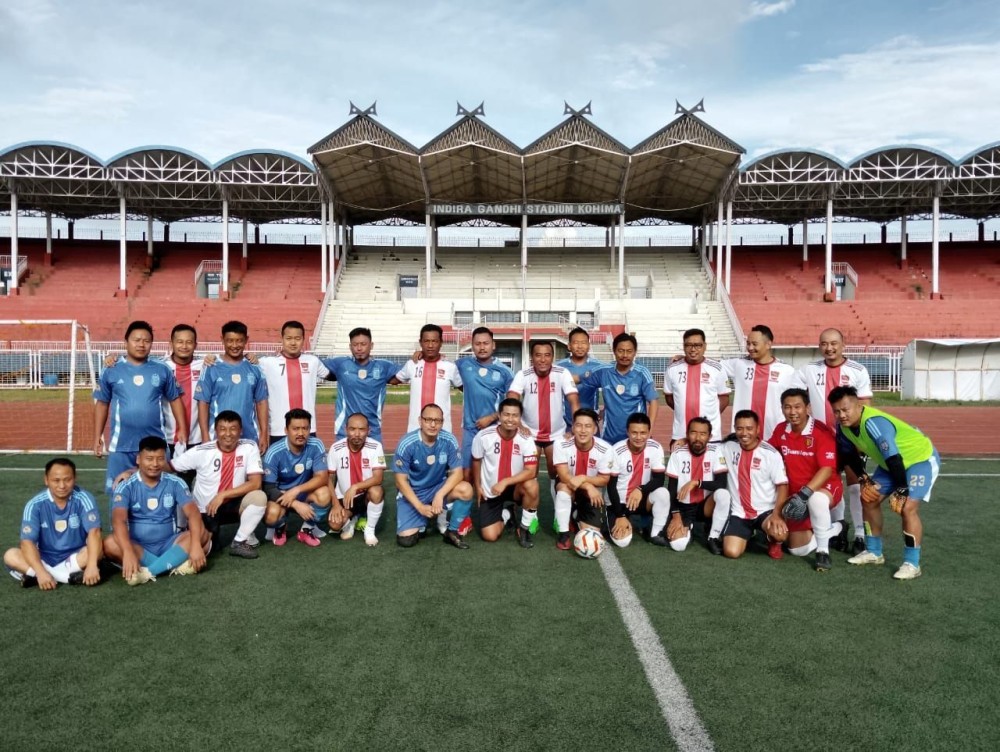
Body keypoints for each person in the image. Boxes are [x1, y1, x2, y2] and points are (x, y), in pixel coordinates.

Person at [828, 386, 939, 580]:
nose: (842, 415)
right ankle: (874, 552)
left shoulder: (873, 422)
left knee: (907, 508)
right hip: (890, 465)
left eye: (846, 409)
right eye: (837, 411)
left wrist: (902, 489)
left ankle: (912, 563)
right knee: (868, 498)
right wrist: (864, 478)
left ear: (859, 405)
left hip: (919, 459)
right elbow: (848, 454)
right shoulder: (843, 427)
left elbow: (894, 458)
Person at [793, 328, 874, 555]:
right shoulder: (809, 370)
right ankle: (837, 528)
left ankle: (859, 533)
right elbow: (791, 393)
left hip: (849, 438)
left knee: (855, 484)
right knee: (830, 482)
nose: (829, 348)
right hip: (821, 440)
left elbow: (866, 406)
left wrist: (862, 439)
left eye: (834, 343)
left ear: (843, 344)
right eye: (824, 344)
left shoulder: (857, 370)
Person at [93, 320, 187, 496]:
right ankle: (120, 525)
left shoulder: (162, 369)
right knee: (119, 492)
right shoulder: (111, 369)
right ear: (126, 341)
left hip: (155, 445)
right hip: (121, 445)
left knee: (158, 492)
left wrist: (181, 427)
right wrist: (97, 436)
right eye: (137, 340)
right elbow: (102, 403)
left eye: (146, 341)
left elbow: (175, 399)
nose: (141, 344)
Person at [103, 436, 207, 585]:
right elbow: (119, 520)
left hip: (169, 543)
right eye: (149, 459)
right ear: (138, 459)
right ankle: (171, 563)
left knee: (201, 534)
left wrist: (196, 545)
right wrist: (127, 551)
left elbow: (193, 514)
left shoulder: (175, 482)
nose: (155, 464)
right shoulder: (126, 486)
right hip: (138, 547)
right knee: (109, 543)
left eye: (160, 459)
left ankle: (148, 572)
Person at [170, 410, 268, 560]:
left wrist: (222, 495)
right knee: (207, 548)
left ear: (240, 431)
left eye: (233, 429)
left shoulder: (249, 447)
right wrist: (134, 471)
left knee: (259, 497)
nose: (228, 434)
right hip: (207, 509)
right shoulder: (201, 451)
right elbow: (171, 467)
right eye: (222, 429)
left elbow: (256, 483)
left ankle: (240, 541)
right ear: (215, 431)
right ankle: (210, 534)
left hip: (233, 504)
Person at [768, 388, 844, 572]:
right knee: (797, 549)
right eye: (787, 407)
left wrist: (804, 493)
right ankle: (830, 528)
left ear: (808, 407)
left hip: (824, 487)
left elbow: (827, 470)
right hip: (796, 494)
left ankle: (824, 550)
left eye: (797, 407)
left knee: (816, 500)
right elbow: (767, 452)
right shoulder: (780, 429)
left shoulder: (821, 432)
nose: (792, 412)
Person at [4, 458, 103, 589]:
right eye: (56, 480)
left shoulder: (85, 499)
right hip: (43, 558)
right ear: (46, 480)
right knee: (10, 555)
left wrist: (91, 566)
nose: (62, 486)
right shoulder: (34, 504)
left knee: (97, 552)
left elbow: (94, 532)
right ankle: (65, 577)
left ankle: (37, 575)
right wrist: (40, 571)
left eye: (67, 480)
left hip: (74, 558)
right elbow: (27, 543)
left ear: (75, 478)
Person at [393, 403, 474, 549]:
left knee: (466, 489)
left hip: (437, 487)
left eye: (437, 420)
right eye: (428, 419)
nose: (432, 424)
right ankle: (426, 518)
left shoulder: (449, 440)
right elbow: (400, 482)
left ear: (442, 422)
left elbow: (458, 473)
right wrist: (420, 507)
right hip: (414, 492)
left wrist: (439, 494)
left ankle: (452, 530)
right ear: (420, 421)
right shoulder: (407, 443)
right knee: (407, 540)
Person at [709, 410, 788, 560]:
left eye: (749, 428)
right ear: (735, 428)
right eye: (739, 428)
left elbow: (782, 486)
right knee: (731, 552)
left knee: (780, 534)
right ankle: (748, 533)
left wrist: (777, 515)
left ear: (758, 429)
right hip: (739, 512)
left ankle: (772, 540)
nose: (744, 433)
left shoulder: (771, 454)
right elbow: (705, 444)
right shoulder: (727, 447)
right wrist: (684, 441)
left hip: (765, 511)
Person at [508, 340, 578, 501]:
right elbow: (512, 398)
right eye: (538, 355)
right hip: (529, 434)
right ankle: (524, 512)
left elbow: (574, 400)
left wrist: (575, 426)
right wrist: (518, 424)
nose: (542, 359)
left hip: (556, 434)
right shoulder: (523, 374)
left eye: (547, 355)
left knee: (557, 474)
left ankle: (559, 512)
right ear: (532, 357)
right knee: (528, 474)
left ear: (553, 357)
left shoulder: (562, 373)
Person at [471, 398, 540, 548]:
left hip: (515, 488)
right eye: (506, 415)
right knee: (490, 536)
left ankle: (524, 528)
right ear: (500, 416)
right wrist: (477, 486)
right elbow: (476, 461)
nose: (510, 419)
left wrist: (505, 482)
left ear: (520, 418)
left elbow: (531, 471)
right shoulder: (483, 436)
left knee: (532, 485)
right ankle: (508, 513)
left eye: (515, 415)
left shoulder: (526, 439)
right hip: (491, 490)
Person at [262, 408, 334, 548]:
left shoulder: (316, 445)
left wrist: (296, 491)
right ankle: (280, 526)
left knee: (324, 494)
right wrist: (295, 504)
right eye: (295, 429)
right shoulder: (274, 452)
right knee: (271, 516)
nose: (301, 433)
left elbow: (322, 477)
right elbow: (268, 488)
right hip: (281, 496)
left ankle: (307, 529)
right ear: (286, 430)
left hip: (302, 493)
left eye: (305, 428)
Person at [653, 417, 728, 551]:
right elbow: (671, 489)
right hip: (683, 507)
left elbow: (721, 483)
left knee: (723, 494)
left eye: (703, 434)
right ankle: (689, 525)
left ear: (710, 436)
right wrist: (676, 516)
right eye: (693, 433)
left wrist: (696, 483)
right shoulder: (677, 454)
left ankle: (713, 537)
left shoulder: (716, 452)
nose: (698, 437)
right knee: (678, 546)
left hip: (705, 506)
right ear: (687, 435)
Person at [194, 320, 269, 453]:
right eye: (230, 341)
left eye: (239, 340)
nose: (234, 345)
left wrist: (263, 433)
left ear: (246, 340)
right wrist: (205, 435)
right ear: (222, 340)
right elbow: (203, 403)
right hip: (217, 437)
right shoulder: (211, 367)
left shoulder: (255, 367)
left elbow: (261, 402)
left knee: (250, 473)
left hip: (249, 436)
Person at [455, 327, 515, 485]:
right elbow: (440, 365)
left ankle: (501, 507)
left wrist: (492, 417)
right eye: (477, 343)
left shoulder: (505, 371)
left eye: (486, 343)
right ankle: (467, 508)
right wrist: (419, 356)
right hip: (470, 428)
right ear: (472, 346)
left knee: (493, 472)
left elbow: (512, 403)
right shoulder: (462, 364)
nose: (482, 347)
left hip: (494, 428)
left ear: (493, 345)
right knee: (466, 473)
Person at [258, 321, 331, 445]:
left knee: (308, 464)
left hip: (307, 428)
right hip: (279, 429)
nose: (293, 343)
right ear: (282, 339)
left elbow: (332, 375)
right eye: (289, 338)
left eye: (297, 338)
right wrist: (213, 358)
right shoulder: (267, 363)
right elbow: (240, 365)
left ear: (303, 339)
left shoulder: (313, 361)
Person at [551, 408, 615, 550]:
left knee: (592, 533)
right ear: (573, 427)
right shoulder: (561, 444)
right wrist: (588, 486)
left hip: (590, 495)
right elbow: (564, 476)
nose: (583, 430)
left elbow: (604, 479)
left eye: (588, 426)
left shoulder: (605, 449)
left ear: (595, 429)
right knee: (563, 489)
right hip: (570, 486)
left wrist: (583, 479)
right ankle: (563, 533)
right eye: (579, 425)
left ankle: (575, 514)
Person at [322, 327, 399, 444]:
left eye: (363, 344)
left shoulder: (383, 367)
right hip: (345, 431)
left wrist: (419, 355)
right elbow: (313, 364)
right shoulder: (341, 364)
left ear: (371, 345)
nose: (359, 348)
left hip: (373, 431)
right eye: (355, 344)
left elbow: (409, 371)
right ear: (350, 346)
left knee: (377, 463)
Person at [580, 332, 658, 444]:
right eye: (621, 351)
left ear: (635, 352)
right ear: (614, 351)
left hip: (635, 437)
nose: (625, 355)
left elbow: (654, 402)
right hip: (609, 437)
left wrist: (649, 430)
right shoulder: (604, 371)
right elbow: (580, 379)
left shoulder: (642, 373)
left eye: (629, 351)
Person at [721, 325, 796, 439]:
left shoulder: (787, 371)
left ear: (768, 344)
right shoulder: (739, 364)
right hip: (744, 435)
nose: (750, 347)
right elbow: (712, 366)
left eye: (755, 344)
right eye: (748, 343)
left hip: (774, 435)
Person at [607, 413, 668, 548]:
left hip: (640, 499)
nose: (639, 437)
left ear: (648, 432)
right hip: (619, 501)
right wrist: (620, 515)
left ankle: (655, 533)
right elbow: (611, 486)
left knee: (663, 493)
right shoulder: (617, 450)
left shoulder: (655, 448)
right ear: (627, 432)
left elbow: (659, 479)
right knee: (622, 542)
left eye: (643, 433)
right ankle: (624, 519)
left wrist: (640, 489)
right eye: (634, 432)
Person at [327, 413, 386, 546]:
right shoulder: (335, 448)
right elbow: (329, 479)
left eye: (362, 429)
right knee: (335, 524)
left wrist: (355, 487)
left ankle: (370, 530)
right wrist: (335, 504)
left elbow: (378, 478)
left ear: (368, 430)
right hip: (344, 498)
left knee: (377, 491)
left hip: (365, 496)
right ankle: (351, 520)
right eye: (353, 429)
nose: (357, 434)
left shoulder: (376, 446)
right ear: (346, 429)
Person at [393, 324, 463, 434]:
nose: (430, 345)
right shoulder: (411, 364)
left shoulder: (450, 367)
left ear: (441, 343)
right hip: (415, 429)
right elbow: (393, 380)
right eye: (426, 341)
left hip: (442, 429)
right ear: (420, 342)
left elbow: (465, 388)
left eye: (434, 341)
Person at [664, 328, 730, 444]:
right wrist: (683, 409)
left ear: (705, 346)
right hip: (680, 433)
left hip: (711, 436)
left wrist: (710, 414)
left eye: (698, 345)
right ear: (683, 346)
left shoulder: (717, 369)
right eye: (689, 345)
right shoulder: (672, 369)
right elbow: (669, 399)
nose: (693, 349)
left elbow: (724, 399)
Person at [556, 326, 605, 418]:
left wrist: (604, 411)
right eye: (576, 343)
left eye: (583, 343)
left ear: (589, 346)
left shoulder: (599, 367)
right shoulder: (558, 367)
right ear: (569, 346)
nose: (580, 346)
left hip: (590, 422)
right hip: (565, 423)